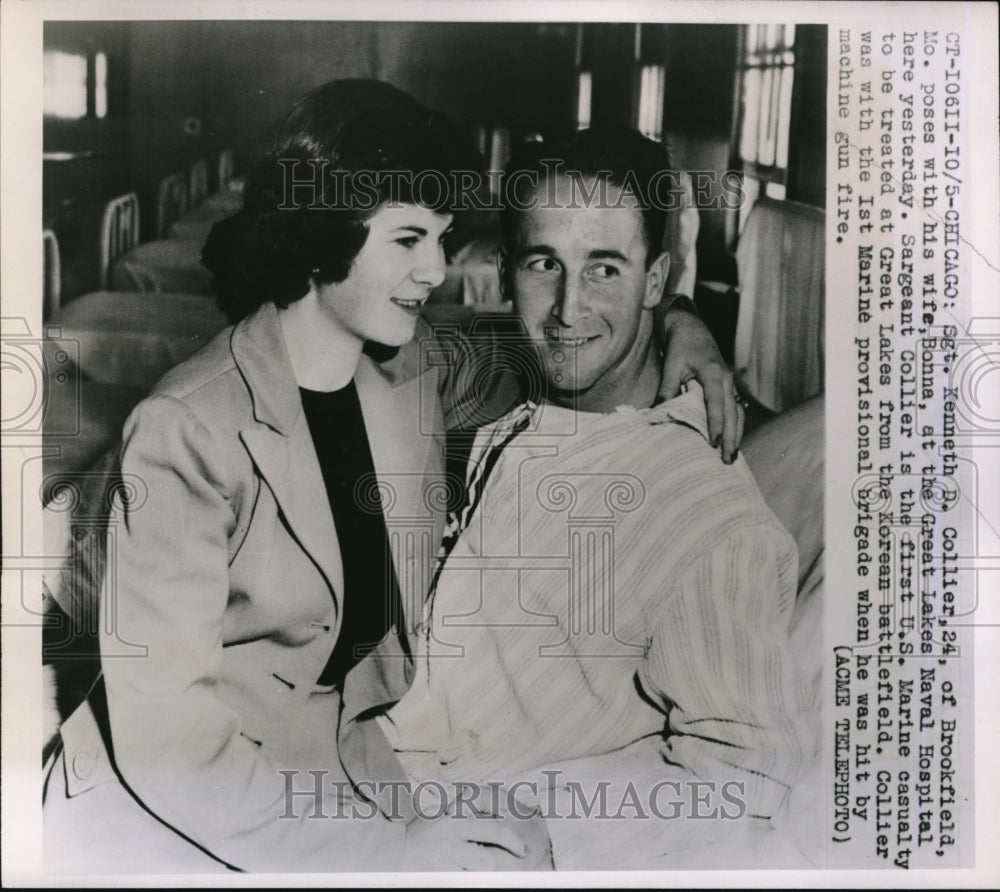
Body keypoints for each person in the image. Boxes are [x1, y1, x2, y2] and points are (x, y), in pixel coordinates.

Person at [41, 81, 740, 873]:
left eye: (442, 239)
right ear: (322, 236)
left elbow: (565, 339)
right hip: (182, 814)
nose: (437, 271)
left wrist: (682, 319)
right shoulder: (186, 430)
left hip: (351, 775)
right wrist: (389, 852)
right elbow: (168, 744)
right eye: (408, 240)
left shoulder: (412, 370)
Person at [381, 128, 820, 869]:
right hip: (383, 793)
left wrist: (544, 836)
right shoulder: (518, 407)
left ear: (656, 281)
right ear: (508, 269)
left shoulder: (705, 512)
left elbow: (743, 771)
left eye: (606, 269)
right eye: (544, 263)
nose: (566, 308)